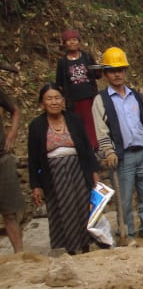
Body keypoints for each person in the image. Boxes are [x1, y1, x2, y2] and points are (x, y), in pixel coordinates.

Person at [92, 47, 143, 241]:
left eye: (121, 70)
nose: (117, 74)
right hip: (122, 156)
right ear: (105, 74)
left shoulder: (137, 97)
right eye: (113, 71)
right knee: (124, 198)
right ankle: (128, 232)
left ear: (125, 71)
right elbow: (101, 130)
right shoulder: (101, 101)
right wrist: (108, 151)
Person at [28, 84, 101, 254]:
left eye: (57, 98)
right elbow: (33, 158)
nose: (54, 102)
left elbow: (86, 148)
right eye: (49, 98)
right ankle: (69, 250)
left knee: (83, 209)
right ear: (42, 103)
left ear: (63, 101)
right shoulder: (37, 126)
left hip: (78, 172)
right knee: (63, 212)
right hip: (54, 176)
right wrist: (36, 185)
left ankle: (85, 247)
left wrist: (94, 172)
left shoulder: (74, 119)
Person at [55, 29, 100, 150]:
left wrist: (100, 67)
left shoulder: (87, 57)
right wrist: (62, 99)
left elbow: (97, 74)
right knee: (77, 123)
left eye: (74, 40)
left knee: (92, 121)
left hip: (89, 96)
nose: (72, 43)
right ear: (64, 44)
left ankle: (95, 145)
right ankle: (82, 146)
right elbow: (59, 82)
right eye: (69, 41)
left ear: (78, 42)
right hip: (73, 99)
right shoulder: (62, 62)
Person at [0, 86, 24, 253]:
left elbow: (15, 110)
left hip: (2, 158)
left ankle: (20, 255)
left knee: (10, 212)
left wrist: (12, 132)